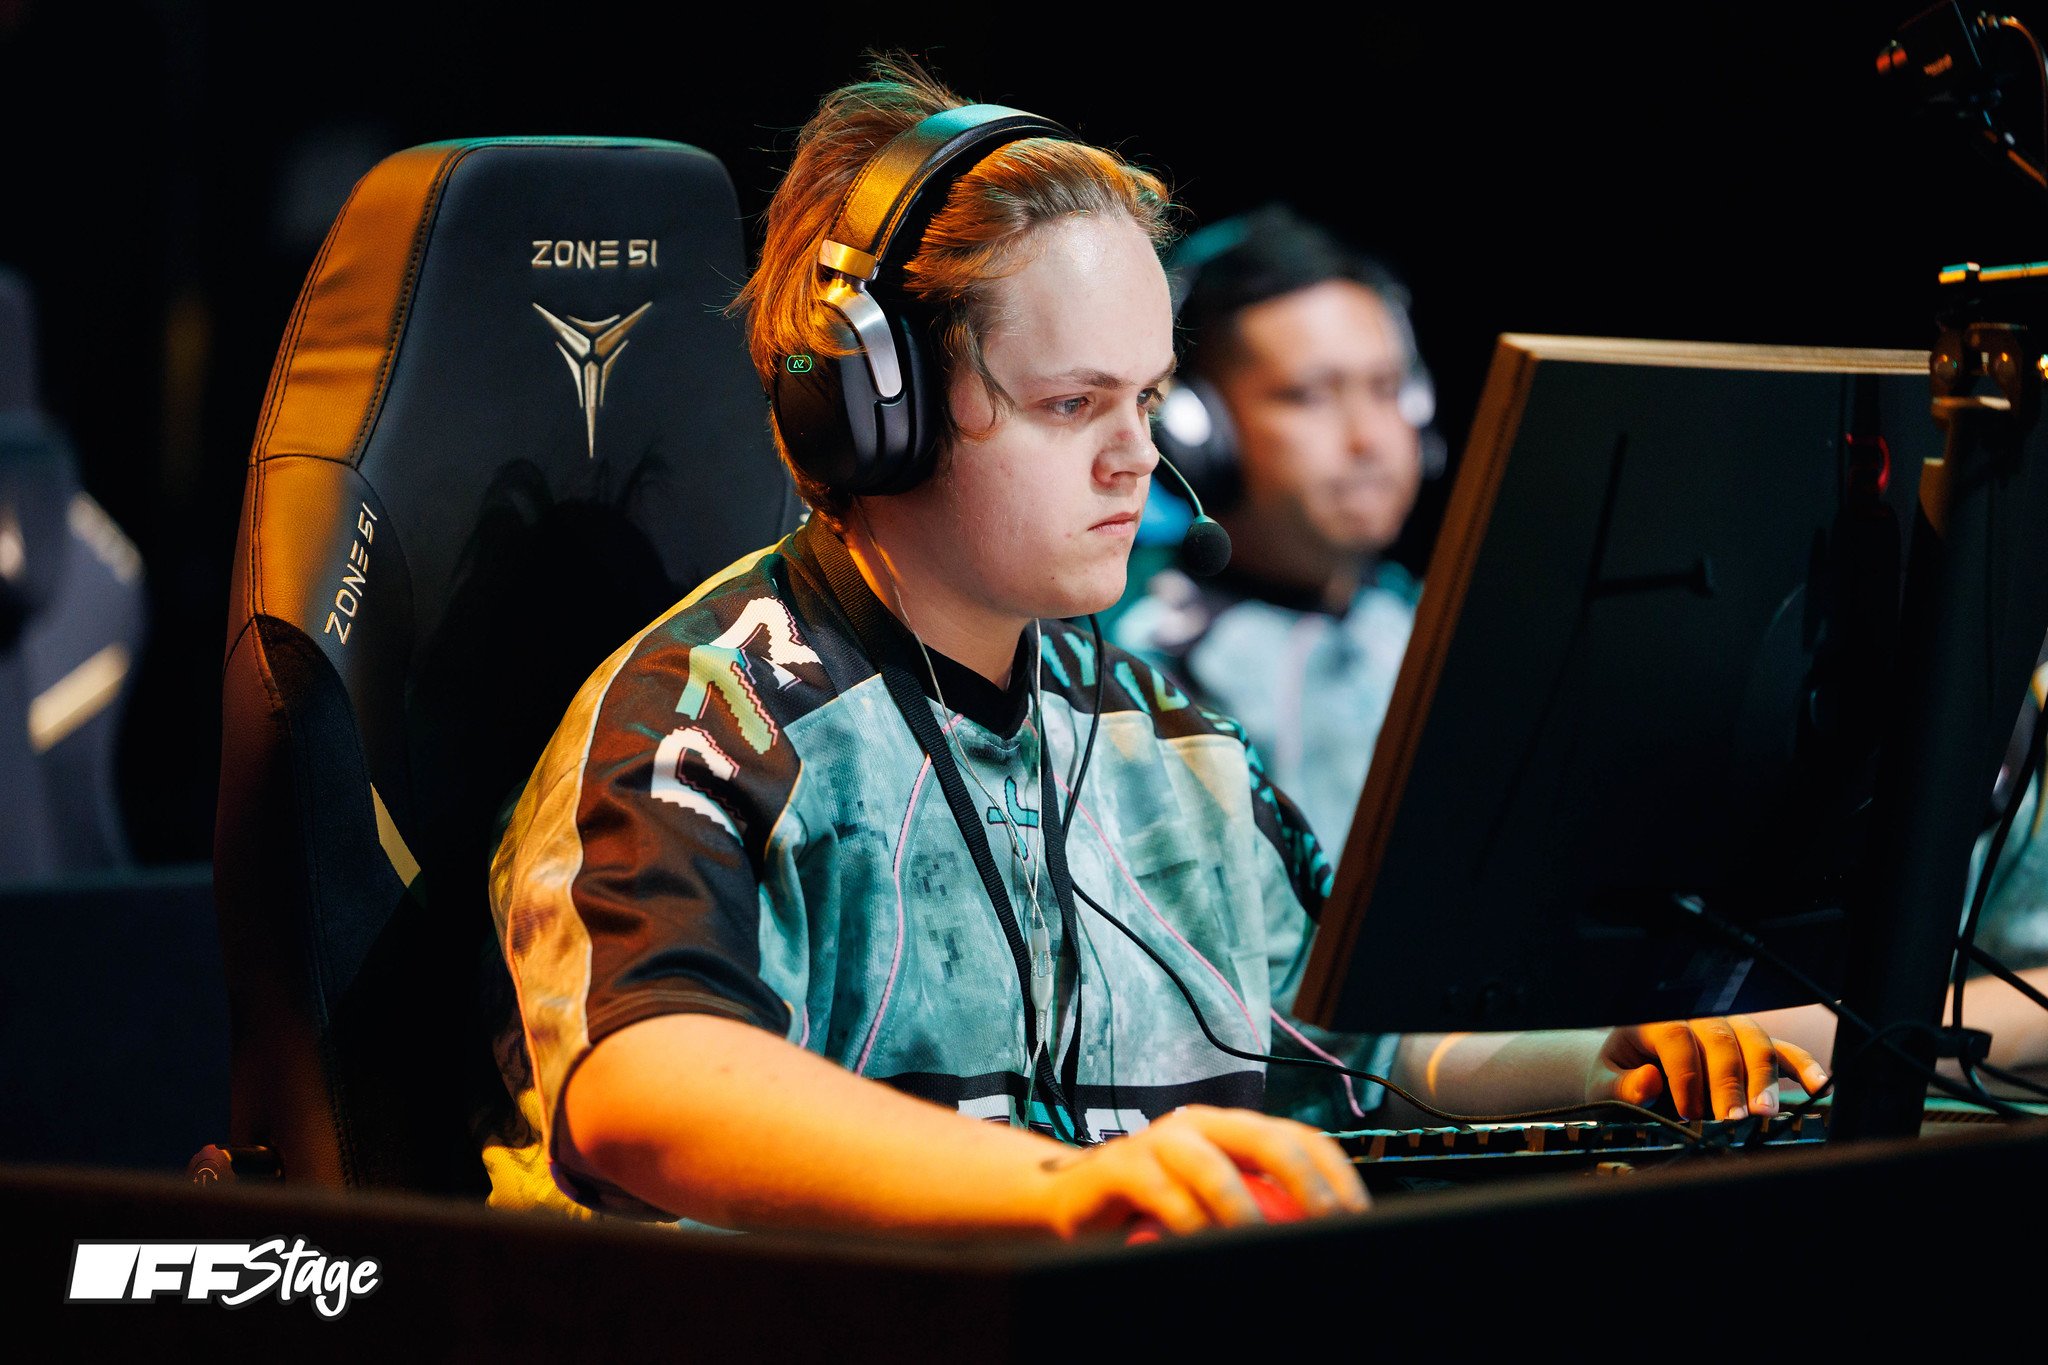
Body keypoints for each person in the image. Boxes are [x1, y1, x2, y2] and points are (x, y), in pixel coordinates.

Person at [484, 57, 1827, 1238]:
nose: (1137, 458)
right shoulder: (714, 715)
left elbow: (1340, 1042)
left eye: (1150, 399)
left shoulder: (1161, 735)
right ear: (872, 407)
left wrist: (1603, 1061)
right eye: (1074, 404)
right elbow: (645, 1082)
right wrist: (1059, 1188)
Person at [1114, 208, 1431, 852]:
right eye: (1310, 395)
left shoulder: (1439, 624)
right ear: (1198, 429)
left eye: (1385, 388)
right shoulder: (1124, 670)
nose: (1369, 439)